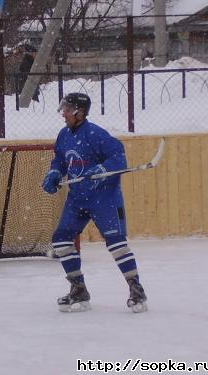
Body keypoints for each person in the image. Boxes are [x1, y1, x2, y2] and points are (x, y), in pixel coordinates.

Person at [41, 93, 148, 313]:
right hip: (77, 197)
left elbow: (118, 157)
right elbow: (60, 160)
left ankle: (137, 291)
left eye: (68, 109)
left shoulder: (96, 134)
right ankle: (78, 290)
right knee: (61, 239)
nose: (64, 113)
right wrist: (54, 173)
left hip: (104, 198)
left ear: (80, 112)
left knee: (116, 243)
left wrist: (100, 170)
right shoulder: (64, 135)